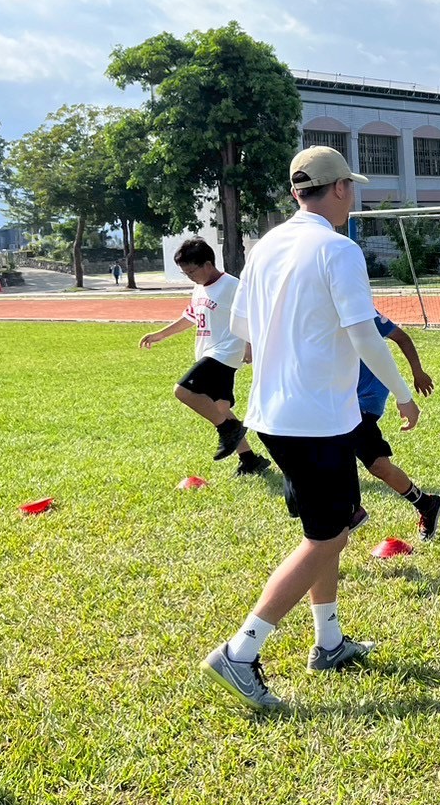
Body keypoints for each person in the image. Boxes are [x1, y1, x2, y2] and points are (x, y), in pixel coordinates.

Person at [200, 146, 420, 711]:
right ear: (340, 188)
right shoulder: (338, 249)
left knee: (336, 523)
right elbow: (365, 334)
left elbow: (244, 331)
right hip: (315, 419)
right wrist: (401, 391)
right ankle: (241, 651)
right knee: (326, 536)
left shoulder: (266, 245)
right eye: (352, 186)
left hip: (279, 415)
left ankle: (328, 641)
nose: (354, 195)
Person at [139, 238, 269, 476]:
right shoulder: (199, 287)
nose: (189, 277)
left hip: (224, 353)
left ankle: (229, 429)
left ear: (208, 264)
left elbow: (253, 315)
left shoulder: (232, 286)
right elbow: (190, 317)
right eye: (185, 272)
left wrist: (250, 345)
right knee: (219, 408)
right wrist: (161, 334)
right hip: (209, 352)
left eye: (191, 271)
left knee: (182, 390)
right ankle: (250, 460)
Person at [354, 312, 440, 539]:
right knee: (378, 466)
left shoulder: (360, 308)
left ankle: (350, 512)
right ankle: (426, 504)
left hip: (364, 400)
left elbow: (401, 337)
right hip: (337, 399)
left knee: (373, 463)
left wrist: (417, 372)